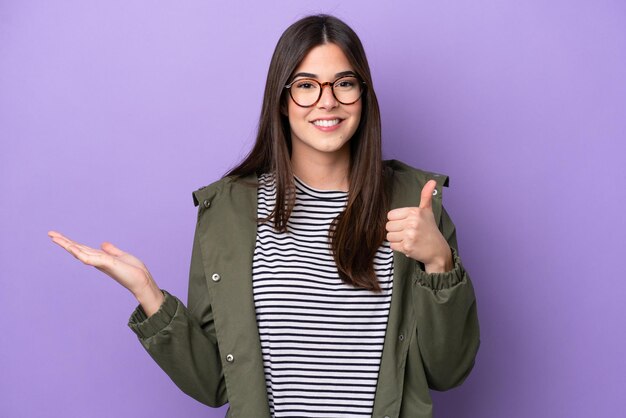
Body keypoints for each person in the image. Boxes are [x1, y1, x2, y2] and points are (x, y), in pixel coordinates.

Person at [49, 14, 479, 418]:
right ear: (281, 100)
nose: (327, 102)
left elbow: (447, 371)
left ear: (363, 96)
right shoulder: (228, 211)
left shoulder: (415, 204)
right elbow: (217, 381)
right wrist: (148, 293)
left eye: (344, 84)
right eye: (306, 86)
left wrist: (438, 263)